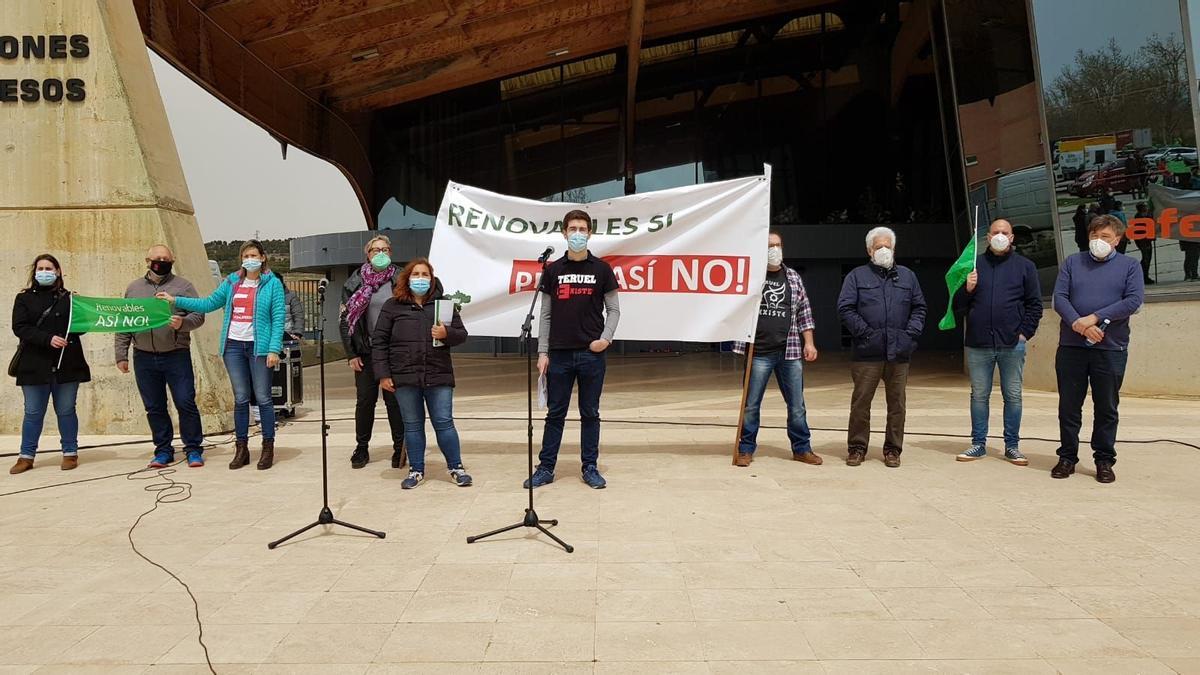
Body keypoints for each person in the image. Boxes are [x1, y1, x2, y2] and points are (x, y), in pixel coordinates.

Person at [159, 240, 286, 470]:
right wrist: (175, 300)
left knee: (264, 398)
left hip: (260, 347)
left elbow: (278, 319)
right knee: (240, 398)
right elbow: (208, 303)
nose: (250, 259)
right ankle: (242, 448)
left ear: (263, 257)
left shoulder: (272, 284)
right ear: (241, 259)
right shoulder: (232, 282)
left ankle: (268, 447)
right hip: (234, 346)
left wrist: (274, 349)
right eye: (246, 255)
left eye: (254, 255)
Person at [527, 209, 621, 489]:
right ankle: (546, 468)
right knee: (555, 413)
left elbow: (614, 310)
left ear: (589, 233)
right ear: (564, 233)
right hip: (559, 355)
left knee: (590, 412)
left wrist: (605, 338)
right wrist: (543, 352)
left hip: (591, 355)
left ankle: (590, 466)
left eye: (582, 229)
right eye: (573, 229)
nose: (577, 234)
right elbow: (545, 315)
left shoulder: (602, 269)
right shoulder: (554, 270)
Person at [1051, 214, 1144, 483]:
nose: (1098, 241)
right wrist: (1079, 326)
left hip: (1110, 348)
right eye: (1094, 236)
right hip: (1072, 347)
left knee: (1106, 407)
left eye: (1105, 237)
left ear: (1117, 239)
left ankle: (1104, 459)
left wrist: (1094, 318)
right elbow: (1060, 298)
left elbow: (1133, 300)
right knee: (1069, 405)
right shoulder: (1072, 262)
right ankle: (1067, 456)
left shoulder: (1130, 266)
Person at [372, 258, 471, 489]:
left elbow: (462, 334)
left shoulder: (444, 306)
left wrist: (446, 333)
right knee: (413, 425)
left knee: (444, 423)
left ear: (432, 278)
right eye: (415, 274)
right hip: (404, 376)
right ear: (407, 279)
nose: (420, 279)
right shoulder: (392, 306)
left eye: (425, 274)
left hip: (438, 375)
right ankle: (416, 470)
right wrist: (383, 374)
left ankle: (456, 467)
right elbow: (379, 342)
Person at [953, 219, 1043, 465]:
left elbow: (1035, 305)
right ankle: (978, 444)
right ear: (988, 237)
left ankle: (1012, 446)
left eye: (1005, 233)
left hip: (1012, 344)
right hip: (978, 343)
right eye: (996, 232)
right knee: (979, 395)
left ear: (1012, 237)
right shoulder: (974, 266)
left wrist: (1024, 333)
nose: (1000, 236)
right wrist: (967, 288)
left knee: (1013, 396)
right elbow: (957, 306)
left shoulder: (1025, 266)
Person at [836, 226, 927, 468]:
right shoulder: (856, 276)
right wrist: (866, 334)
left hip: (899, 353)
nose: (884, 250)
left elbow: (919, 307)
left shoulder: (908, 276)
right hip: (867, 353)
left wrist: (910, 335)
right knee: (861, 403)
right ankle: (857, 447)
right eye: (879, 247)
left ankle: (893, 449)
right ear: (869, 250)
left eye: (888, 246)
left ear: (894, 248)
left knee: (897, 404)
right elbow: (845, 308)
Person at [732, 231, 821, 467]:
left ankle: (802, 448)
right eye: (770, 245)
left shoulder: (792, 277)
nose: (774, 249)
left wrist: (809, 342)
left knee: (797, 405)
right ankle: (746, 448)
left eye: (778, 244)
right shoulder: (752, 277)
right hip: (758, 351)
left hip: (789, 352)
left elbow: (804, 313)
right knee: (751, 405)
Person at [115, 245, 207, 468]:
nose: (161, 261)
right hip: (144, 357)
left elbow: (199, 315)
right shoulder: (134, 288)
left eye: (166, 258)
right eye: (157, 258)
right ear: (147, 260)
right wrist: (121, 354)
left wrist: (183, 324)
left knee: (185, 402)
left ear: (173, 260)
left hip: (176, 355)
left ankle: (193, 448)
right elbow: (124, 323)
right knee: (154, 406)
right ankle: (163, 450)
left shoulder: (183, 286)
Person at [10, 254, 91, 474]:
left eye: (49, 268)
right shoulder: (24, 298)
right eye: (40, 268)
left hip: (67, 364)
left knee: (66, 410)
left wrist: (81, 311)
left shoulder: (69, 298)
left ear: (57, 271)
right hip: (34, 364)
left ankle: (70, 452)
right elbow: (20, 327)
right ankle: (26, 456)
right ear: (34, 272)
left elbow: (82, 328)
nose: (44, 272)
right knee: (33, 412)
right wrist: (47, 339)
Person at [340, 235, 406, 469]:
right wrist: (351, 354)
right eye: (375, 250)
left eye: (385, 250)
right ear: (367, 254)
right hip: (365, 351)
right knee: (365, 401)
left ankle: (400, 447)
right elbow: (345, 320)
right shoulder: (355, 282)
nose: (380, 254)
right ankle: (362, 447)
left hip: (394, 351)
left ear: (391, 253)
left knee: (394, 401)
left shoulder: (401, 279)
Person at [1132, 203, 1155, 285]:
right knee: (1146, 259)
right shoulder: (1139, 217)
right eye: (1145, 207)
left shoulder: (1144, 216)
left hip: (1146, 240)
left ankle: (1145, 275)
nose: (1146, 208)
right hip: (1143, 240)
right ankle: (1143, 276)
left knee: (1147, 259)